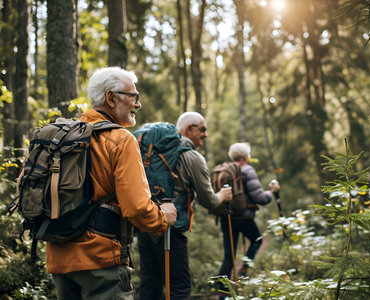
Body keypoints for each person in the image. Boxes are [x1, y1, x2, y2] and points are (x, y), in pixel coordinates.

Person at [46, 67, 177, 299]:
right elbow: (137, 208)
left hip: (59, 260)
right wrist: (162, 218)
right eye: (133, 96)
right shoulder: (120, 140)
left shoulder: (59, 139)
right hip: (101, 262)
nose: (138, 104)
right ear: (111, 97)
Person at [137, 111, 233, 300]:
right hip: (171, 231)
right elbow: (210, 202)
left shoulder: (152, 152)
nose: (205, 134)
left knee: (149, 286)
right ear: (190, 129)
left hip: (145, 226)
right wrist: (222, 195)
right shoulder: (192, 157)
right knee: (179, 288)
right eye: (203, 130)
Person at [218, 142, 280, 280]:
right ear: (246, 156)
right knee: (257, 240)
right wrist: (272, 192)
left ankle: (221, 293)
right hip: (243, 217)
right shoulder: (247, 170)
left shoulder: (225, 170)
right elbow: (260, 198)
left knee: (229, 256)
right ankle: (243, 270)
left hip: (226, 217)